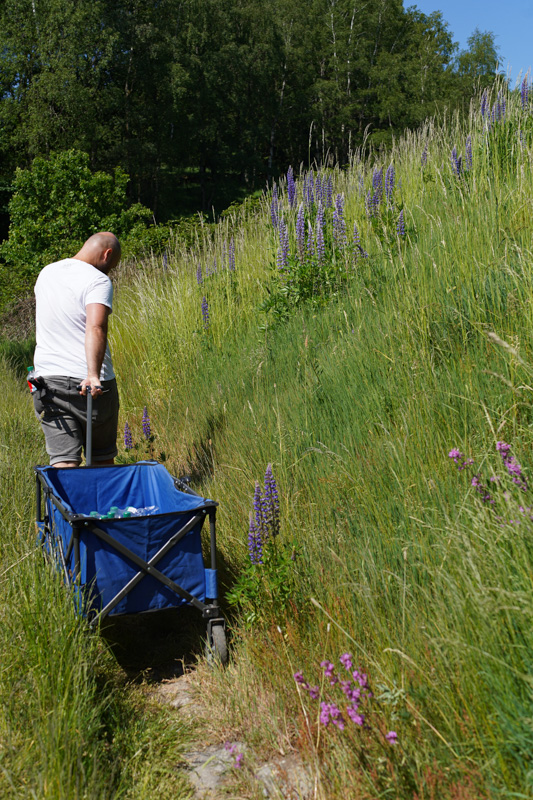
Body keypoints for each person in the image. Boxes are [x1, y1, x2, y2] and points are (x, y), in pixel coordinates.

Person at [32, 232, 121, 468]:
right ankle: (100, 505)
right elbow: (96, 326)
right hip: (89, 385)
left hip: (48, 382)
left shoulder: (46, 273)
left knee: (63, 462)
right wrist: (93, 374)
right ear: (107, 254)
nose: (109, 271)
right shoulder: (98, 280)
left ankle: (66, 506)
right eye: (112, 265)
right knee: (101, 460)